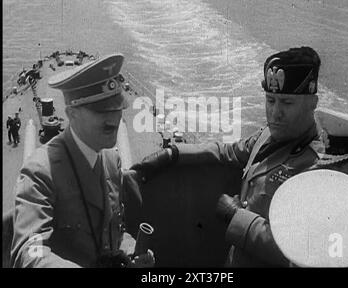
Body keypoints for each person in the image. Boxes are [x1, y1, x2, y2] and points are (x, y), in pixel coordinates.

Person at [131, 47, 330, 267]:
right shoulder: (267, 135)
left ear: (313, 103)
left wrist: (237, 217)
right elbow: (230, 152)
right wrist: (174, 153)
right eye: (271, 100)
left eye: (287, 103)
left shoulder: (317, 165)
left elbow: (301, 253)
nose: (275, 113)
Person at [11, 54, 155, 268]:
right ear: (72, 114)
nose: (114, 118)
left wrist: (130, 254)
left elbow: (114, 230)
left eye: (117, 107)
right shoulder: (40, 172)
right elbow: (29, 252)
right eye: (101, 110)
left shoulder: (111, 160)